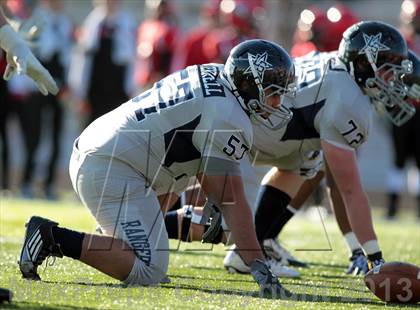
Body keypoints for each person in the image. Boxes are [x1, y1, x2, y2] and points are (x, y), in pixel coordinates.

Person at [18, 39, 297, 296]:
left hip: (111, 150)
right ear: (248, 84)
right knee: (149, 269)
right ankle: (50, 237)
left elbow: (189, 159)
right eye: (273, 93)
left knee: (181, 174)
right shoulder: (228, 116)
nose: (278, 103)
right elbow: (231, 200)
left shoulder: (216, 75)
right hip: (112, 165)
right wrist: (260, 267)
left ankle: (119, 242)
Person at [161, 21, 413, 277]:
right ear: (363, 63)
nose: (392, 80)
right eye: (387, 70)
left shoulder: (335, 66)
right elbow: (349, 189)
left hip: (259, 127)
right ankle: (145, 225)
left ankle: (250, 248)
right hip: (244, 129)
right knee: (228, 225)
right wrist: (374, 257)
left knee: (307, 160)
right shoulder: (349, 101)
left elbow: (338, 184)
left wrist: (357, 248)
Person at [69, 0, 136, 127]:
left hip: (118, 89)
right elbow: (81, 58)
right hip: (95, 90)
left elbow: (131, 59)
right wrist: (80, 93)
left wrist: (131, 88)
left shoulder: (127, 25)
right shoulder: (92, 25)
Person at [385, 0, 420, 219]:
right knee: (397, 159)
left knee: (418, 162)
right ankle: (392, 206)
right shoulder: (400, 40)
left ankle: (416, 208)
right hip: (400, 105)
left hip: (419, 110)